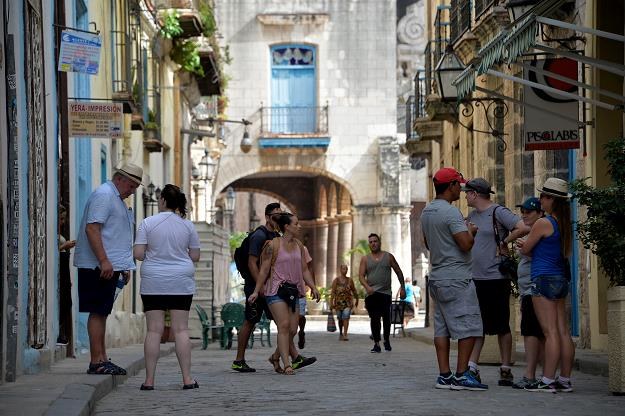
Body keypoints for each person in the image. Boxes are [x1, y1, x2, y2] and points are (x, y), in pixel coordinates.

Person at [420, 167, 487, 391]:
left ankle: (444, 375)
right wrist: (471, 231)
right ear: (450, 187)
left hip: (438, 277)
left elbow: (428, 244)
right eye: (459, 184)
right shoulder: (451, 213)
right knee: (469, 327)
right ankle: (461, 375)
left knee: (442, 329)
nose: (461, 188)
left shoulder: (427, 212)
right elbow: (465, 244)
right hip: (457, 278)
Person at [74, 163, 142, 375]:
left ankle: (102, 358)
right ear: (120, 179)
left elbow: (115, 235)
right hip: (98, 266)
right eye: (131, 185)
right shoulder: (104, 195)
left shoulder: (116, 199)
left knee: (102, 312)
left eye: (135, 187)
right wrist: (104, 260)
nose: (132, 191)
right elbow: (92, 228)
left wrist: (123, 265)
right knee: (97, 312)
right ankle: (96, 361)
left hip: (109, 266)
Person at [463, 177, 530, 386]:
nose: (465, 195)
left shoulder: (497, 212)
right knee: (477, 325)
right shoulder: (472, 216)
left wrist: (504, 241)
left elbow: (522, 227)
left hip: (496, 277)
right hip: (476, 278)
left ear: (475, 194)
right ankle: (472, 367)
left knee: (502, 325)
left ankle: (506, 368)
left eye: (467, 192)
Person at [133, 184, 200, 390]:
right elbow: (195, 256)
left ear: (162, 201)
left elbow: (138, 254)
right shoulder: (187, 226)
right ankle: (187, 379)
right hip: (181, 281)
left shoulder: (147, 223)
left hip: (154, 281)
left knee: (154, 330)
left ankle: (149, 380)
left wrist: (154, 256)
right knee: (181, 330)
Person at [518, 178, 575, 393]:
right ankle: (565, 379)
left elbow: (526, 250)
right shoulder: (563, 222)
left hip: (543, 279)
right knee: (562, 331)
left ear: (551, 199)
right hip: (560, 279)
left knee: (550, 332)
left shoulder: (544, 222)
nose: (540, 199)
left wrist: (523, 244)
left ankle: (548, 378)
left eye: (543, 196)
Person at [249, 213, 320, 375]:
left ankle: (275, 356)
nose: (299, 226)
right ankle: (287, 364)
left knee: (293, 329)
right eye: (296, 223)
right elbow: (264, 270)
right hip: (275, 290)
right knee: (284, 326)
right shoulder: (272, 245)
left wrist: (313, 287)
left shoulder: (299, 246)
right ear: (287, 226)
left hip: (293, 291)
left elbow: (304, 270)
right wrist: (256, 291)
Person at [232, 203, 282, 373]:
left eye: (280, 216)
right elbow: (251, 263)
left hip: (270, 286)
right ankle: (239, 360)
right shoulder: (259, 236)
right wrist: (258, 287)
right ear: (267, 217)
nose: (278, 219)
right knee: (250, 320)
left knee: (282, 322)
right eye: (275, 216)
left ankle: (286, 357)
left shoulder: (275, 235)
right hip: (257, 287)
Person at [511, 197, 545, 389]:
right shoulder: (531, 230)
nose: (524, 214)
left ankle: (531, 375)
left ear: (540, 213)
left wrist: (526, 248)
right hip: (528, 289)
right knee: (537, 331)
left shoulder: (540, 231)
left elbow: (543, 256)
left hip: (534, 289)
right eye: (522, 211)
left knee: (531, 331)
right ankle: (543, 375)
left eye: (529, 211)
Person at [358, 233, 406, 353]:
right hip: (372, 293)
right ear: (369, 244)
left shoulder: (388, 257)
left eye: (375, 241)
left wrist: (403, 287)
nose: (373, 243)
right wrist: (367, 287)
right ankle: (377, 343)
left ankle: (386, 339)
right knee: (374, 318)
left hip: (385, 293)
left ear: (379, 242)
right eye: (371, 242)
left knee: (386, 319)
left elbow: (398, 271)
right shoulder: (365, 259)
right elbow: (361, 276)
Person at [58, 205, 75, 346]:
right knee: (63, 303)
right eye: (61, 218)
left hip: (64, 274)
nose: (63, 222)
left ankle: (60, 332)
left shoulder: (60, 234)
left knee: (67, 303)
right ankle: (58, 333)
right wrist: (65, 246)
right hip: (59, 275)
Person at [330, 264, 359, 341]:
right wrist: (331, 303)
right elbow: (332, 292)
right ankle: (340, 333)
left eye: (346, 269)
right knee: (340, 318)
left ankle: (345, 334)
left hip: (348, 303)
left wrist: (357, 299)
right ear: (340, 270)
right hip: (338, 303)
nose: (345, 270)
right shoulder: (336, 280)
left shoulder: (350, 280)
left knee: (346, 317)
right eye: (343, 269)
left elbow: (354, 290)